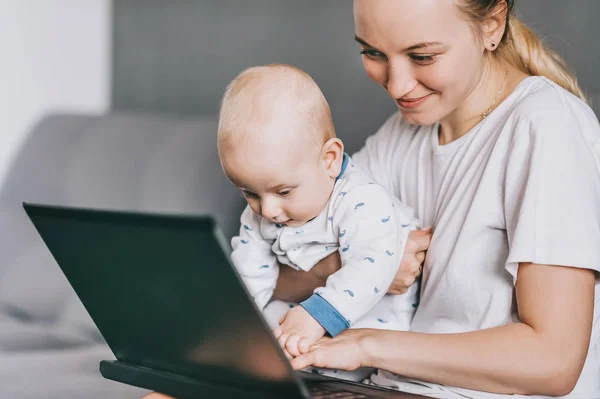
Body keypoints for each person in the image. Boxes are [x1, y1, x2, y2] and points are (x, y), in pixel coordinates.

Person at [143, 0, 599, 397]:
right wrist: (354, 269)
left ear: (492, 25)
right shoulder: (405, 133)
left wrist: (363, 343)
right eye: (373, 53)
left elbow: (553, 363)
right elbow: (284, 266)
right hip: (381, 386)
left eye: (422, 55)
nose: (397, 85)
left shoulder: (546, 128)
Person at [218, 64, 420, 380]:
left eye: (283, 191)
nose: (268, 209)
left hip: (371, 323)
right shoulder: (261, 210)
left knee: (325, 359)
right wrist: (231, 329)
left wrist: (316, 315)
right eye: (249, 193)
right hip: (302, 312)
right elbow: (249, 273)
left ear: (330, 160)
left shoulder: (360, 199)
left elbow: (372, 265)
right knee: (253, 334)